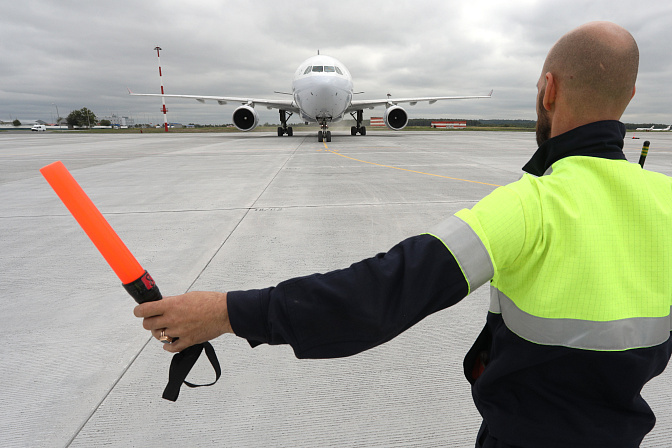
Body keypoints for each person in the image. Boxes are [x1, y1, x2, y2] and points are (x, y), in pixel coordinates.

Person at [134, 21, 672, 447]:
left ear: (547, 90)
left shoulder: (528, 208)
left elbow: (381, 293)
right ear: (626, 96)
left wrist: (227, 310)